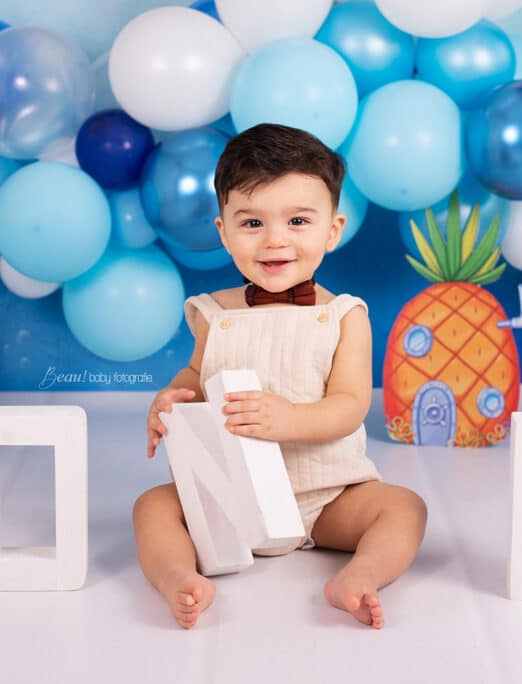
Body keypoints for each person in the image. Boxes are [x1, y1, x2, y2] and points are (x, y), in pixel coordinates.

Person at [135, 123, 427, 630]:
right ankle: (178, 577)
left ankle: (359, 575)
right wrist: (171, 401)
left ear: (331, 230)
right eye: (252, 223)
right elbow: (196, 376)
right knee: (152, 507)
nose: (275, 240)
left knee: (405, 508)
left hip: (329, 496)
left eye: (297, 220)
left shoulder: (343, 315)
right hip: (232, 494)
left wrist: (288, 418)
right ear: (223, 231)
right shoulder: (213, 313)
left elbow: (351, 403)